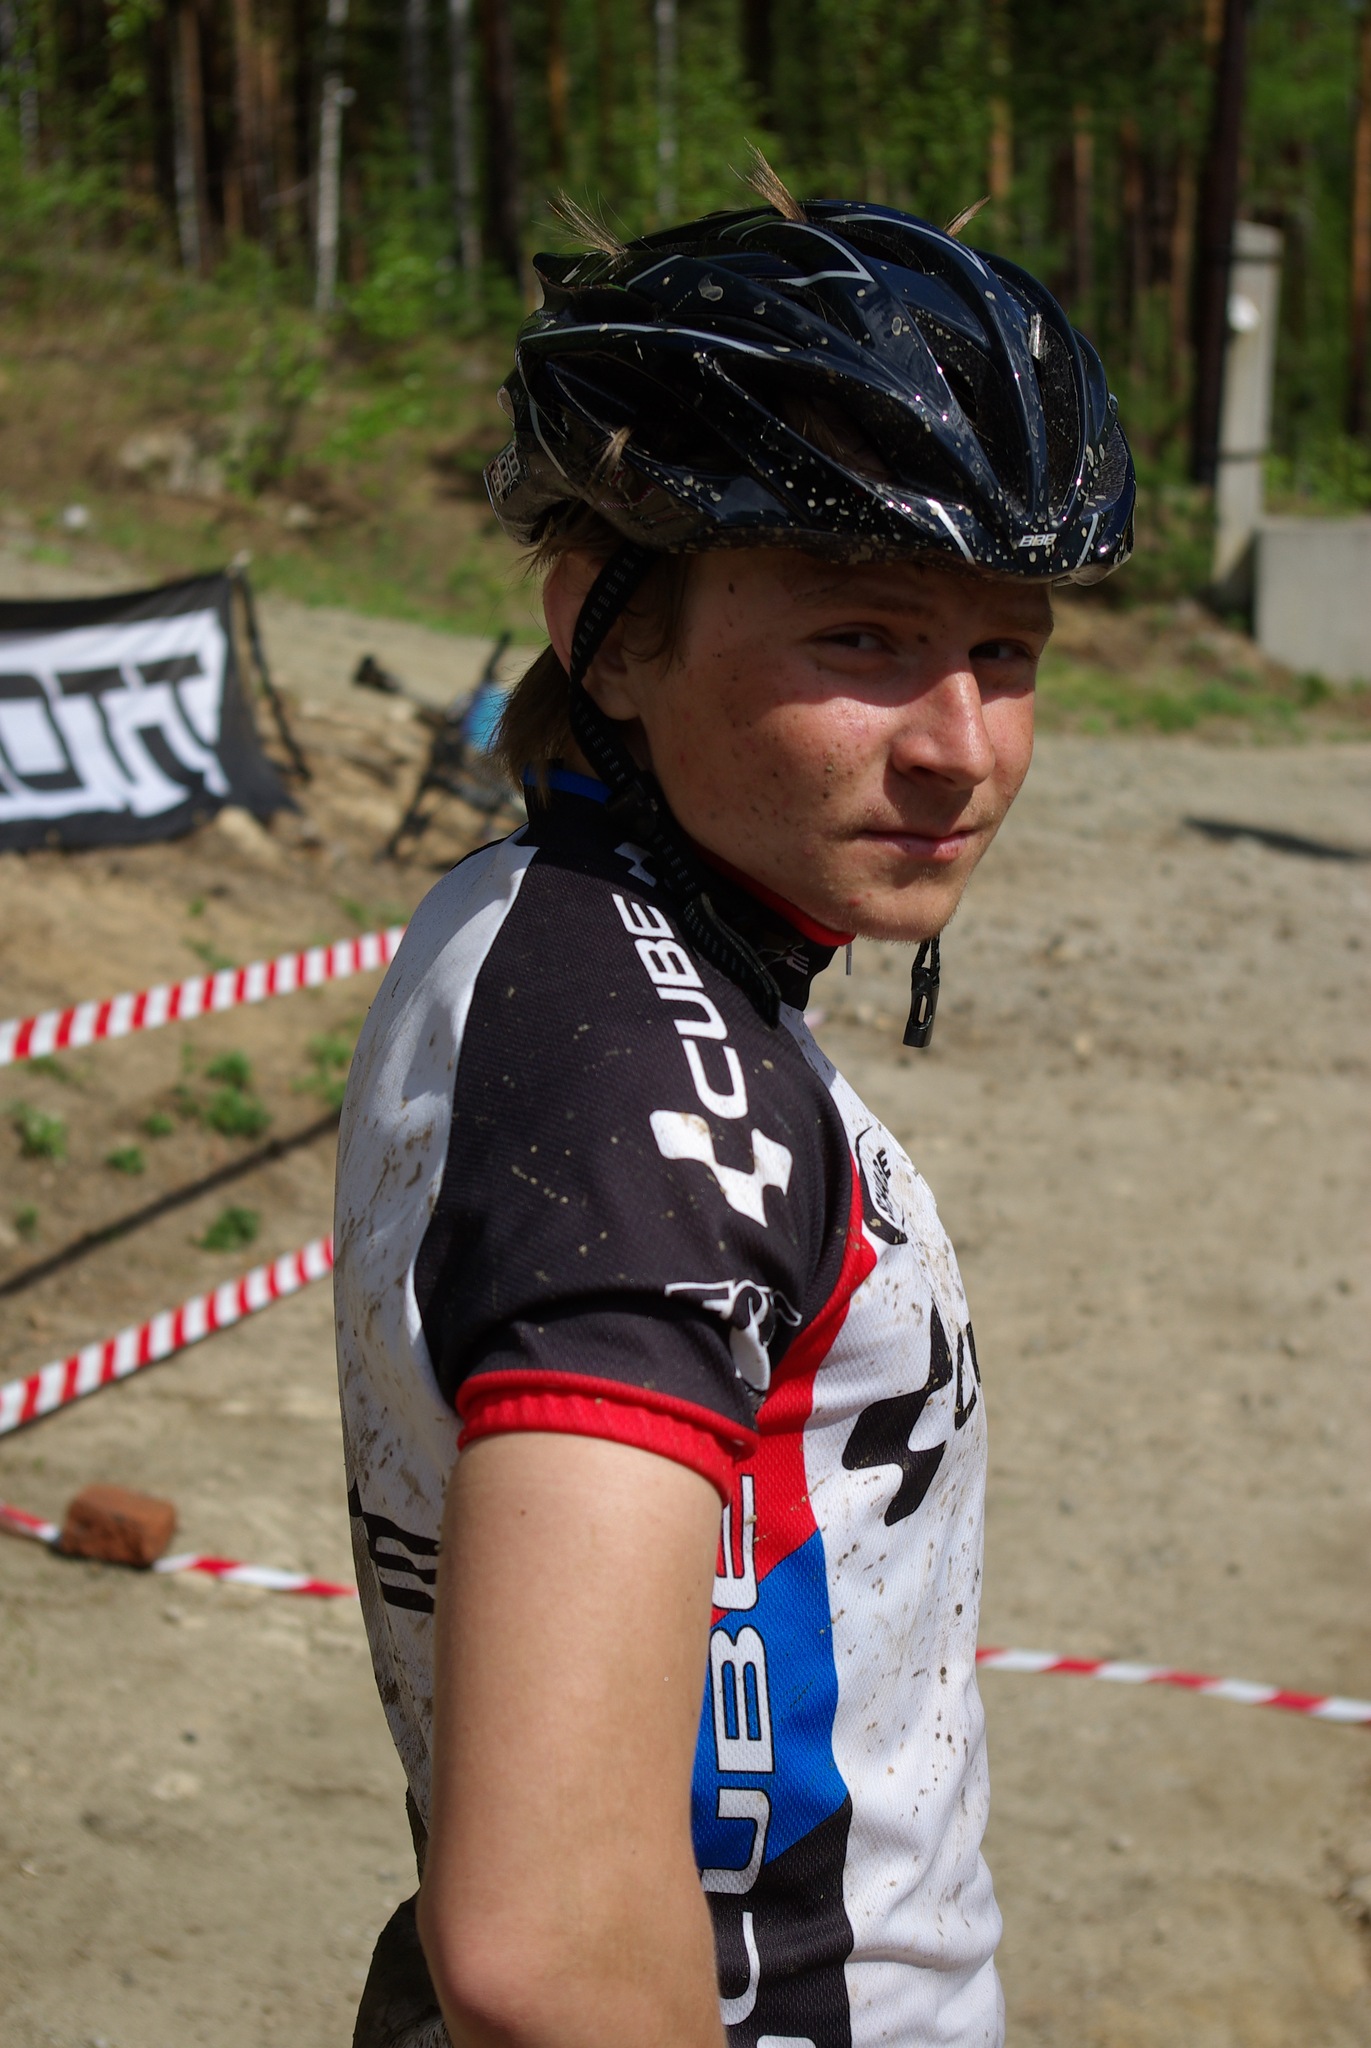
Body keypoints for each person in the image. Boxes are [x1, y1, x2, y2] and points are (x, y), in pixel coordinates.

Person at [335, 166, 1134, 2048]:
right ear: (608, 632)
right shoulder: (654, 1094)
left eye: (1005, 651)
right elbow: (544, 1940)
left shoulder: (534, 920)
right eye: (862, 638)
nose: (958, 747)